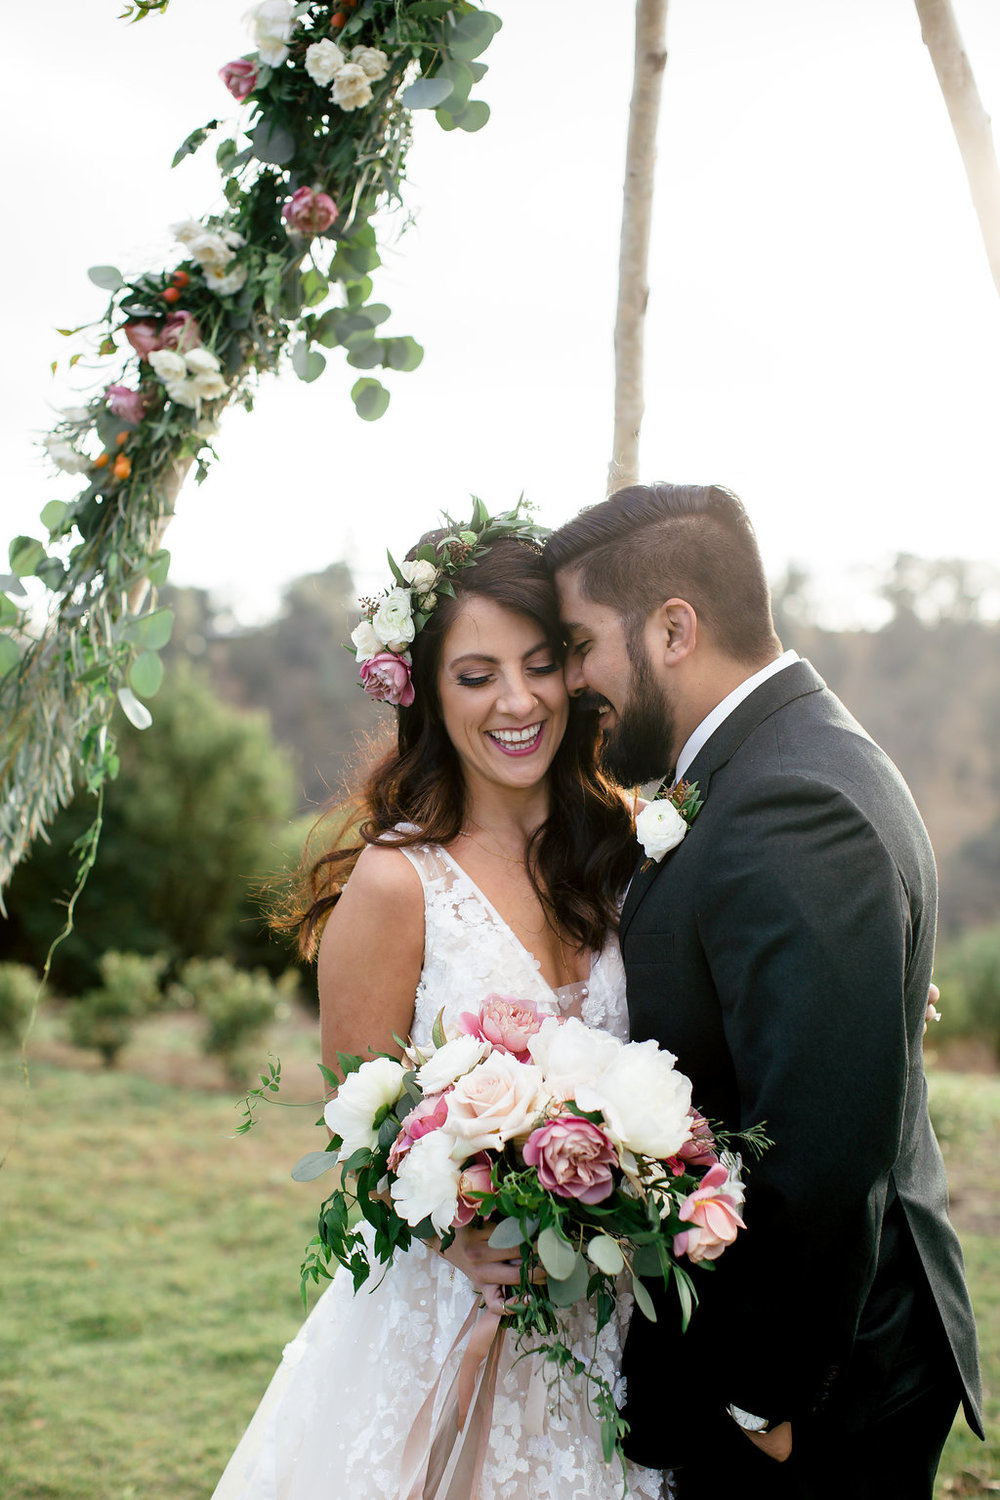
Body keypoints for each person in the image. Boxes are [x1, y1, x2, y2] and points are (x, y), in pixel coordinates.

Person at [211, 514, 668, 1500]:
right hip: (449, 1316)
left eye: (540, 664)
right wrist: (453, 1228)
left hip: (620, 1329)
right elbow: (357, 1132)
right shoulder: (395, 884)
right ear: (424, 690)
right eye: (476, 674)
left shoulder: (636, 844)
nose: (516, 701)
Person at [545, 481, 983, 1500]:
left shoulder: (788, 800)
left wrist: (761, 1394)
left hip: (812, 1394)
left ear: (671, 628)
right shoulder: (773, 759)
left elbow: (820, 1151)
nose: (570, 684)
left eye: (577, 646)